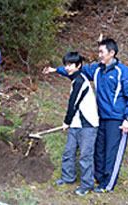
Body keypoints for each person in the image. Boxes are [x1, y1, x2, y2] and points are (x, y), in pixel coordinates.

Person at [53, 39, 128, 193]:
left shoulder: (123, 72)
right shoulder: (97, 69)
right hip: (101, 118)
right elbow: (75, 70)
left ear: (112, 53)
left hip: (117, 119)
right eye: (99, 51)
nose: (99, 55)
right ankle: (97, 178)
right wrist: (56, 70)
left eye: (102, 52)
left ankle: (107, 185)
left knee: (111, 153)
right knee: (98, 151)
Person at [43, 52, 99, 196]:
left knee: (85, 156)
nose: (67, 68)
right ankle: (68, 177)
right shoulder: (74, 77)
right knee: (69, 151)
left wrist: (66, 121)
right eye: (66, 65)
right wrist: (54, 70)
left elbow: (73, 103)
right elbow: (66, 73)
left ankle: (87, 185)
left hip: (88, 124)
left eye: (70, 65)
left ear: (78, 65)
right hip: (77, 122)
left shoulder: (80, 81)